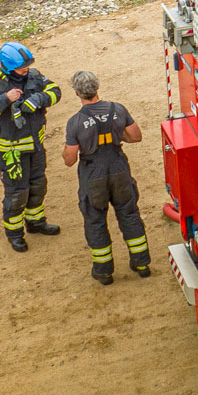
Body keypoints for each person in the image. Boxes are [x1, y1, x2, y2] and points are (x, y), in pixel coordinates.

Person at [62, 70, 150, 284]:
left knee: (95, 220)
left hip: (93, 174)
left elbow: (70, 159)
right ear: (97, 87)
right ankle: (141, 263)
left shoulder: (75, 122)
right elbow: (135, 137)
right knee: (129, 214)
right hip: (118, 167)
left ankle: (103, 272)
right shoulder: (117, 109)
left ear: (76, 92)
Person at [0, 42, 64, 252]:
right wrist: (5, 99)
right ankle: (14, 234)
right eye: (21, 66)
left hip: (35, 148)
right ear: (8, 67)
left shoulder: (34, 77)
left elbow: (55, 90)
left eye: (27, 64)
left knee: (38, 185)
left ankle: (36, 223)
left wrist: (39, 99)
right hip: (12, 154)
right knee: (17, 194)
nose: (26, 69)